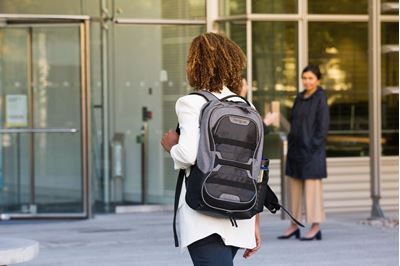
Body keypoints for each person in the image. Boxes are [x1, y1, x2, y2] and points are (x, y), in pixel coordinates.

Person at [161, 33, 261, 266]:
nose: (187, 66)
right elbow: (257, 167)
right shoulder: (245, 105)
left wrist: (172, 146)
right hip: (240, 212)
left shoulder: (191, 102)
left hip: (204, 212)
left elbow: (187, 155)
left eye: (189, 60)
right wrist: (255, 221)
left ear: (197, 64)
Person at [278, 64, 329, 241]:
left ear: (318, 80)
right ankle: (294, 225)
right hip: (295, 152)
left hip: (312, 153)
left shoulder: (320, 98)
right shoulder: (299, 98)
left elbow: (322, 128)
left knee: (313, 193)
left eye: (311, 78)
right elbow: (294, 124)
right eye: (304, 78)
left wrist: (310, 146)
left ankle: (315, 227)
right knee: (294, 191)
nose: (307, 82)